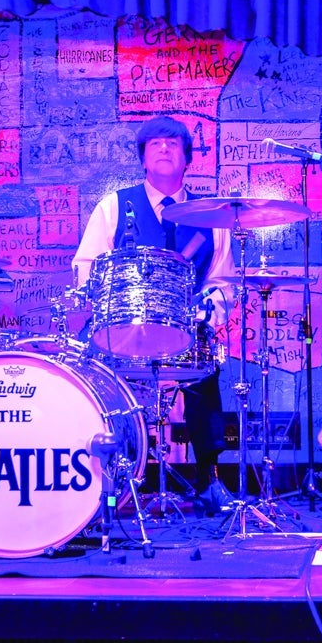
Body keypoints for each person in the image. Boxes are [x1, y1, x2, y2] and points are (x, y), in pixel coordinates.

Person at [72, 114, 234, 511]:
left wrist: (207, 314)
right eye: (155, 143)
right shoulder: (114, 206)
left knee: (206, 365)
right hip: (123, 325)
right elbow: (86, 266)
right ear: (143, 158)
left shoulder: (212, 215)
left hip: (185, 326)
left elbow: (222, 279)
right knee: (90, 373)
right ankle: (109, 476)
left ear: (187, 159)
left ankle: (209, 477)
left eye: (173, 144)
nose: (164, 148)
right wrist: (108, 303)